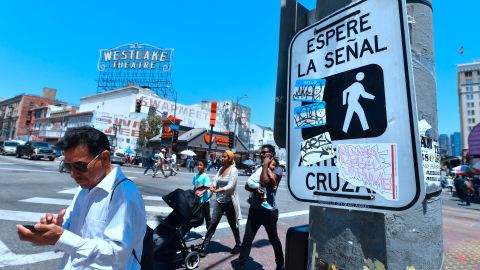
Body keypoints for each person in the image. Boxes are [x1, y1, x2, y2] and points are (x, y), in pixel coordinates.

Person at [16, 126, 147, 269]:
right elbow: (75, 235)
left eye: (80, 166)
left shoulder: (125, 194)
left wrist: (61, 237)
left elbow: (117, 256)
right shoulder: (85, 187)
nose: (73, 174)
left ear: (104, 158)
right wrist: (55, 229)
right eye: (67, 166)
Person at [232, 144, 284, 270]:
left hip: (269, 212)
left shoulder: (277, 169)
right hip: (255, 210)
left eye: (264, 152)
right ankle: (241, 264)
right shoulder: (258, 168)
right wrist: (256, 187)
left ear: (271, 154)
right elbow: (247, 186)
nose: (262, 155)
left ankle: (280, 263)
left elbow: (266, 182)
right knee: (247, 238)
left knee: (273, 239)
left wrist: (266, 165)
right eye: (261, 152)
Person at [199, 150, 242, 257]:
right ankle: (204, 246)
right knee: (213, 223)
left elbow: (231, 185)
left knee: (233, 224)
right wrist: (213, 186)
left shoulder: (234, 170)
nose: (222, 159)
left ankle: (238, 243)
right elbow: (215, 180)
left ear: (230, 159)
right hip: (219, 201)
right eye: (222, 157)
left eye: (224, 157)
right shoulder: (221, 169)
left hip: (229, 202)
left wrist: (219, 190)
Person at [192, 159, 212, 230]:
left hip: (204, 200)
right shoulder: (195, 176)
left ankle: (209, 232)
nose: (199, 166)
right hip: (197, 199)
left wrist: (200, 193)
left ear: (204, 167)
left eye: (201, 165)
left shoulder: (205, 176)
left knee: (207, 216)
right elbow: (195, 186)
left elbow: (207, 187)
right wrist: (193, 193)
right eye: (198, 165)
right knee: (195, 215)